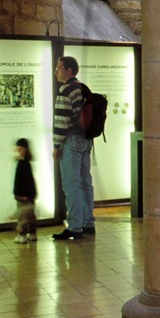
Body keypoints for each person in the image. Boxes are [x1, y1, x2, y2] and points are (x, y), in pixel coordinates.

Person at [52, 55, 95, 239]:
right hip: (86, 140)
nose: (56, 71)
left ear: (69, 70)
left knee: (71, 184)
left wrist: (56, 146)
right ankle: (88, 223)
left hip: (71, 141)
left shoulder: (65, 90)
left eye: (59, 67)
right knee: (85, 183)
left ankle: (75, 226)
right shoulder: (82, 88)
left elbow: (61, 121)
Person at [13, 137, 37, 243]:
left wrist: (18, 194)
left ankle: (22, 235)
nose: (18, 152)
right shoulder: (27, 163)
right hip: (29, 195)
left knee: (22, 216)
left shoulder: (22, 164)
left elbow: (20, 181)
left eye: (19, 149)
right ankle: (32, 233)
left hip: (23, 195)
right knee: (30, 215)